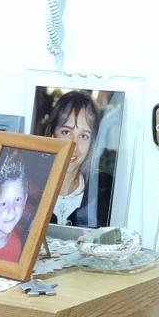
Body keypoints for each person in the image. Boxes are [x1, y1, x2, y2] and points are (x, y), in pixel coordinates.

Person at [40, 90, 104, 227]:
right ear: (52, 136)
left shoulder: (102, 199)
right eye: (66, 132)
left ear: (92, 144)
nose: (74, 146)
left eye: (84, 136)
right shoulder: (28, 191)